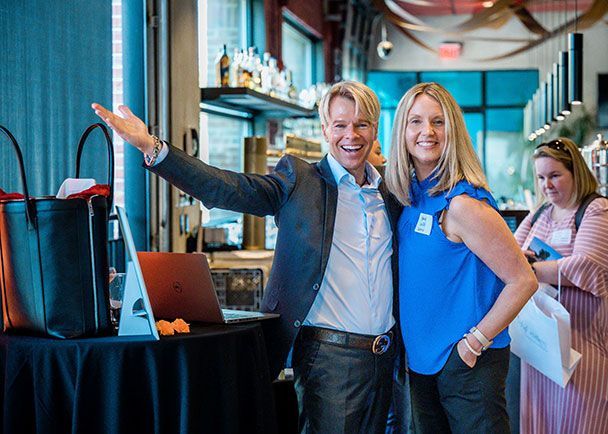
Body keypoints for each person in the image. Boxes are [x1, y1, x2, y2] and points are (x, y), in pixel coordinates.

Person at [92, 80, 403, 434]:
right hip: (330, 361)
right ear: (324, 129)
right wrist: (153, 147)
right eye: (341, 125)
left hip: (386, 358)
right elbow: (227, 187)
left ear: (375, 129)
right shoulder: (300, 182)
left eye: (362, 124)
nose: (352, 135)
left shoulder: (389, 192)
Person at [385, 82, 537, 434]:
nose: (427, 132)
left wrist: (475, 342)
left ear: (453, 130)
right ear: (401, 131)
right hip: (422, 364)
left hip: (467, 364)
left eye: (438, 122)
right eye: (416, 121)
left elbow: (523, 280)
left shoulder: (464, 204)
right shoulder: (412, 197)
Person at [514, 137, 608, 434]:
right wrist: (527, 266)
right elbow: (512, 257)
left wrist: (532, 269)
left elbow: (587, 266)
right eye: (541, 178)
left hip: (582, 342)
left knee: (581, 420)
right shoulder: (539, 214)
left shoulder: (595, 210)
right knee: (540, 421)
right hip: (540, 346)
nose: (547, 185)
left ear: (575, 172)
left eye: (555, 176)